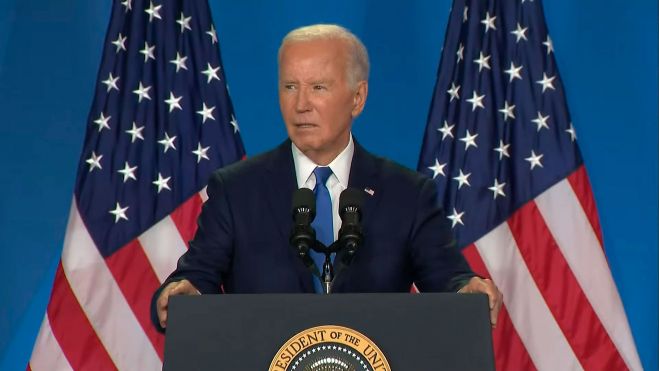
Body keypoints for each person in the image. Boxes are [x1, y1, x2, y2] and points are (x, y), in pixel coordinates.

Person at [152, 24, 502, 331]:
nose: (301, 104)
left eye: (318, 87)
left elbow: (447, 278)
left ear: (358, 98)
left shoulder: (406, 194)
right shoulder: (237, 189)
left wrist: (466, 290)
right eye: (290, 86)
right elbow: (198, 275)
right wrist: (184, 292)